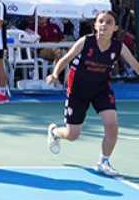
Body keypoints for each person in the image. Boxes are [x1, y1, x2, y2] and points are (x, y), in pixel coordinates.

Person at [45, 11, 138, 176]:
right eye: (100, 21)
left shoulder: (118, 47)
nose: (104, 25)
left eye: (109, 22)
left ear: (115, 28)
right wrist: (54, 74)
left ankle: (104, 161)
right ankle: (54, 132)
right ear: (95, 25)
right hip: (78, 90)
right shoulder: (86, 41)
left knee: (112, 125)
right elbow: (65, 59)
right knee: (72, 135)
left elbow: (135, 65)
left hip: (101, 89)